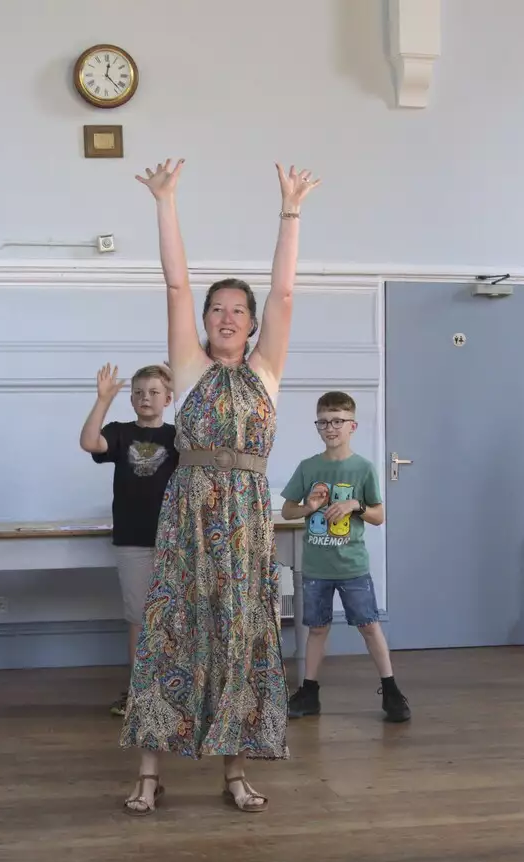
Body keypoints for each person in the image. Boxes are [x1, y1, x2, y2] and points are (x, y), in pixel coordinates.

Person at [120, 158, 319, 816]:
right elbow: (175, 284)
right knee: (171, 630)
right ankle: (150, 772)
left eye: (239, 310)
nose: (227, 316)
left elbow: (285, 294)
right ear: (205, 321)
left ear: (253, 324)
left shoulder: (265, 371)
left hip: (247, 515)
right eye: (218, 309)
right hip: (189, 513)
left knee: (240, 634)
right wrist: (166, 202)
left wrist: (290, 212)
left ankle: (235, 769)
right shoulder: (188, 363)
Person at [280, 391, 409, 722]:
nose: (330, 428)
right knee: (316, 628)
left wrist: (356, 506)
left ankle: (391, 690)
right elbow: (288, 509)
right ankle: (309, 692)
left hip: (352, 566)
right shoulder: (309, 467)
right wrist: (308, 507)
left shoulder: (363, 468)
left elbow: (379, 515)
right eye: (323, 422)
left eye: (337, 422)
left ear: (352, 426)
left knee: (368, 625)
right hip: (316, 566)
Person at [79, 362, 177, 716]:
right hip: (133, 541)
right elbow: (89, 441)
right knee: (139, 617)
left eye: (153, 392)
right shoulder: (120, 432)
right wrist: (103, 399)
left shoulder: (178, 437)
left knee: (171, 619)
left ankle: (171, 690)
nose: (145, 398)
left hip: (174, 542)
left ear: (168, 398)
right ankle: (141, 693)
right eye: (138, 392)